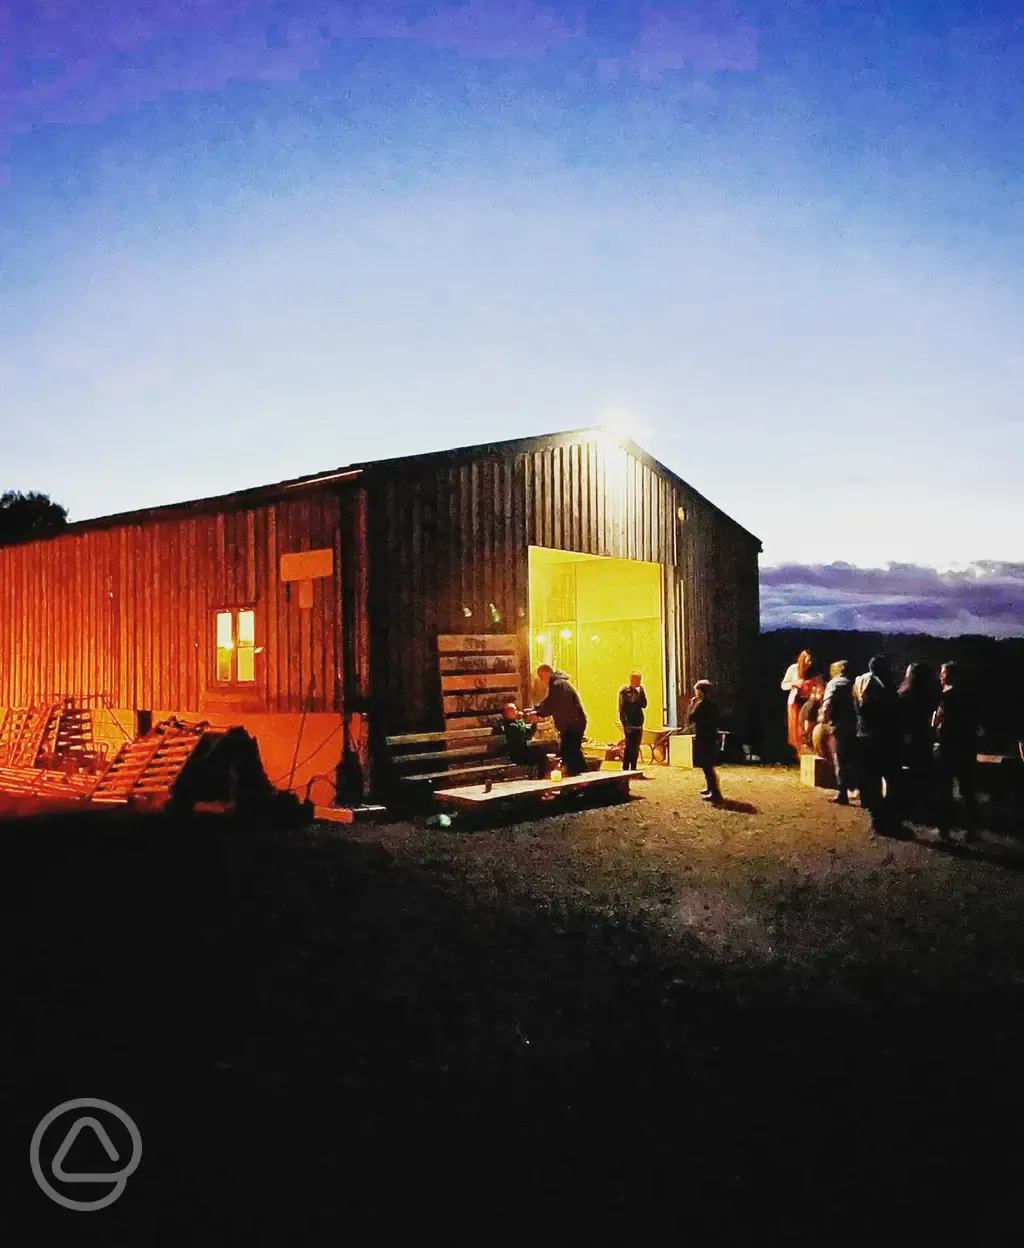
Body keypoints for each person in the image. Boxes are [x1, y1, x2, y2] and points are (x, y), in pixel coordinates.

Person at [853, 655, 902, 835]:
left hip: (864, 736)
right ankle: (890, 819)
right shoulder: (884, 687)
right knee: (891, 778)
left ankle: (876, 819)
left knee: (871, 780)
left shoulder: (860, 683)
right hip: (883, 738)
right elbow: (890, 712)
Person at [932, 661, 979, 841]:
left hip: (949, 746)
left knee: (945, 789)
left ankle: (944, 829)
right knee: (967, 788)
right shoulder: (969, 696)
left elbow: (937, 722)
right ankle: (971, 830)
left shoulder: (946, 696)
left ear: (947, 676)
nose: (940, 676)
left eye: (942, 673)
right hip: (967, 746)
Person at [527, 664, 588, 777]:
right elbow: (552, 703)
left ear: (547, 673)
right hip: (573, 723)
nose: (541, 680)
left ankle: (578, 777)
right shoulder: (560, 684)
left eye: (541, 676)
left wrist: (538, 711)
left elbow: (553, 703)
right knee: (571, 751)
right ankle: (581, 775)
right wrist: (537, 710)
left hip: (572, 723)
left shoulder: (557, 685)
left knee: (570, 752)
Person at [898, 663, 939, 816]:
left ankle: (910, 806)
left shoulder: (904, 693)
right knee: (922, 770)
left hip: (908, 736)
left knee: (911, 770)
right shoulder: (930, 694)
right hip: (923, 735)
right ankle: (923, 804)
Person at [821, 659, 858, 804]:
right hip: (855, 726)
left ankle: (842, 793)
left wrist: (823, 717)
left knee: (840, 760)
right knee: (852, 760)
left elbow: (828, 703)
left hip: (839, 726)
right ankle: (855, 789)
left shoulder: (834, 683)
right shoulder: (854, 683)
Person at [781, 651, 823, 757]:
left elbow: (820, 687)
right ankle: (798, 753)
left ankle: (806, 753)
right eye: (808, 661)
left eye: (811, 661)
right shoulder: (793, 669)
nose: (809, 664)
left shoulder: (815, 673)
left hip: (809, 703)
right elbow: (783, 685)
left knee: (805, 728)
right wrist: (793, 683)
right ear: (802, 659)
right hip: (795, 702)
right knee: (794, 730)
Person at [688, 679, 722, 803]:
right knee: (708, 765)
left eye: (697, 691)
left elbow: (691, 718)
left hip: (704, 737)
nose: (696, 694)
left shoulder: (702, 705)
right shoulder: (712, 704)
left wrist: (692, 705)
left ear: (702, 692)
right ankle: (711, 788)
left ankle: (715, 792)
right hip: (711, 737)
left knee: (706, 765)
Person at [501, 702, 552, 779]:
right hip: (517, 754)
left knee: (541, 752)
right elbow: (524, 735)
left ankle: (541, 776)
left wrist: (534, 723)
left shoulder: (516, 722)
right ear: (508, 713)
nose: (517, 711)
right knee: (540, 755)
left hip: (524, 750)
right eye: (514, 710)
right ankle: (541, 777)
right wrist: (523, 718)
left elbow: (529, 733)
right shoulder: (509, 725)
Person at [618, 670, 647, 771]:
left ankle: (634, 768)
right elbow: (622, 709)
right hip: (629, 723)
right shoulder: (625, 692)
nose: (640, 682)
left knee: (636, 747)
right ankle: (625, 768)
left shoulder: (640, 691)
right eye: (638, 680)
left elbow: (644, 705)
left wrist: (641, 692)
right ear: (632, 680)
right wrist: (625, 725)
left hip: (638, 722)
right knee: (629, 747)